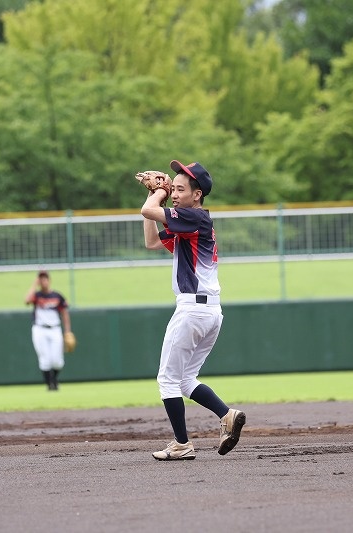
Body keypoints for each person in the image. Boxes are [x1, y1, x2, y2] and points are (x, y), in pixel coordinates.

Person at [141, 159, 246, 460]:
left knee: (167, 380)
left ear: (197, 194)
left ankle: (181, 444)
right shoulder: (188, 226)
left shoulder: (193, 217)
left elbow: (148, 211)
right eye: (172, 188)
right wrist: (154, 196)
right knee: (186, 379)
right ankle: (227, 415)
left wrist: (157, 194)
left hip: (192, 310)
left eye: (179, 189)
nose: (174, 194)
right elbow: (151, 241)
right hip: (210, 312)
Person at [24, 270, 72, 391]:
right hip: (40, 329)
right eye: (41, 279)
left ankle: (53, 381)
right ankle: (50, 385)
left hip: (55, 329)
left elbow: (65, 313)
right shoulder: (37, 296)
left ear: (49, 280)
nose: (43, 281)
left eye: (45, 278)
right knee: (45, 359)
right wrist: (34, 284)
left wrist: (68, 331)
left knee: (57, 361)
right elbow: (27, 301)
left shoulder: (57, 296)